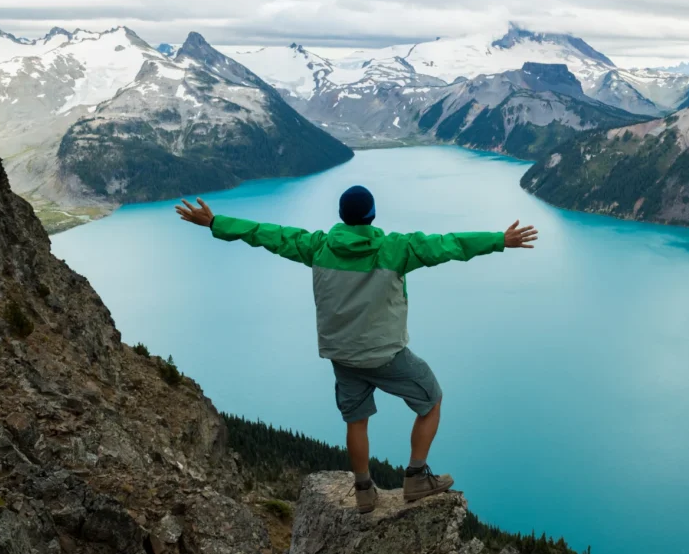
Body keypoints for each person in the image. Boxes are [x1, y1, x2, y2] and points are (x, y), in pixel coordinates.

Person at [175, 185, 537, 513]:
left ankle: (364, 489)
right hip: (386, 355)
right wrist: (499, 240)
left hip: (342, 356)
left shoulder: (316, 246)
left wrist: (215, 222)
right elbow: (449, 244)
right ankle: (415, 477)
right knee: (432, 400)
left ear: (342, 217)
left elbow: (266, 234)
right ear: (372, 215)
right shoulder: (396, 248)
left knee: (356, 419)